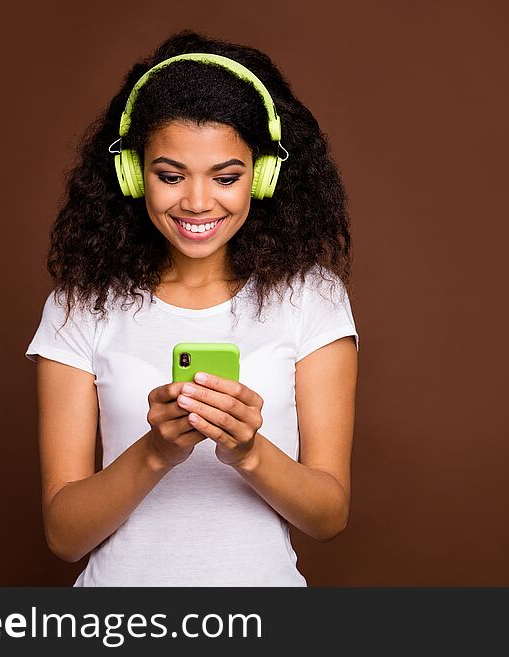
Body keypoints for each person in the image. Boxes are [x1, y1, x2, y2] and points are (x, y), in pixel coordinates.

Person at [24, 29, 359, 586]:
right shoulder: (78, 306)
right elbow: (64, 535)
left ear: (264, 175)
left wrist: (248, 451)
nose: (198, 202)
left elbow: (328, 517)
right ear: (134, 175)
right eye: (171, 175)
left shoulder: (312, 300)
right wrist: (157, 451)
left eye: (226, 177)